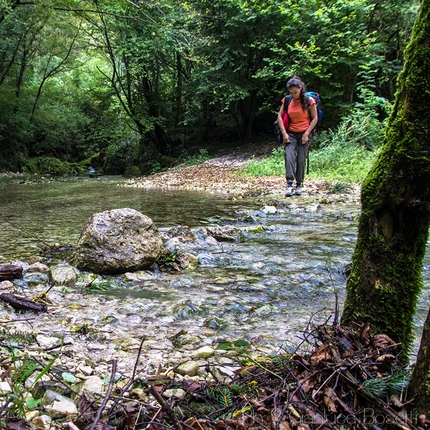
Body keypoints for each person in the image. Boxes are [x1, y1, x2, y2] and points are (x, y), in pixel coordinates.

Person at [277, 76, 318, 196]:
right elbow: (279, 117)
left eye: (295, 92)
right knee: (289, 157)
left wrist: (306, 134)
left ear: (300, 88)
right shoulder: (287, 100)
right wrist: (284, 133)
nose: (293, 94)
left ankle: (299, 184)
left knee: (301, 160)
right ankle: (289, 184)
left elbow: (315, 119)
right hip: (290, 133)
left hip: (305, 132)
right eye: (291, 92)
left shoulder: (309, 100)